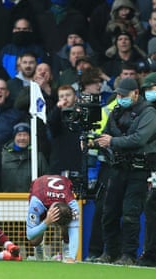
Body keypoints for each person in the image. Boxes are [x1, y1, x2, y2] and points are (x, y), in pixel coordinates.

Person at [94, 78, 156, 265]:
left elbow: (139, 139)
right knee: (109, 212)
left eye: (123, 94)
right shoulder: (116, 111)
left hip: (139, 169)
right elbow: (105, 134)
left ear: (136, 93)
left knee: (130, 213)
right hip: (117, 168)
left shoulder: (149, 112)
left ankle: (128, 254)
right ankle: (110, 252)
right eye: (118, 94)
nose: (120, 98)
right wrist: (93, 141)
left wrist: (112, 142)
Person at [26, 174, 80, 263]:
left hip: (59, 190)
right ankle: (39, 249)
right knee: (34, 240)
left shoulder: (72, 204)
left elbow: (74, 230)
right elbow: (29, 235)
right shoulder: (36, 203)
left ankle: (67, 251)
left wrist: (71, 257)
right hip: (41, 192)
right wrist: (46, 222)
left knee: (68, 226)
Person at [136, 72, 156, 267]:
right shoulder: (148, 110)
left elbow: (141, 138)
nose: (149, 92)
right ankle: (150, 254)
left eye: (152, 88)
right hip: (152, 163)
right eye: (147, 89)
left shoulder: (150, 112)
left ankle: (151, 255)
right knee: (151, 206)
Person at [0, 123, 48, 192]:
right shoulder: (3, 156)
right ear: (14, 137)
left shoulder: (38, 157)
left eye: (25, 135)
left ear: (30, 137)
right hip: (6, 200)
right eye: (19, 135)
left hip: (31, 200)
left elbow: (45, 181)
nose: (22, 138)